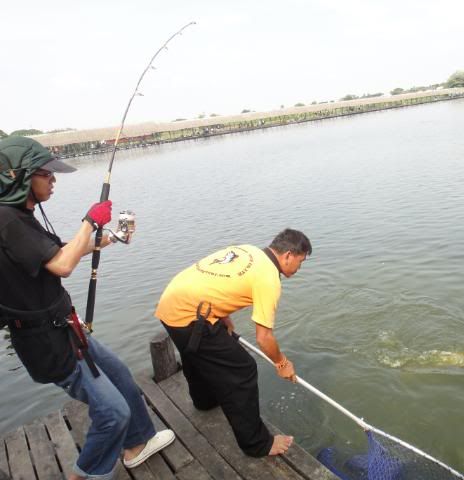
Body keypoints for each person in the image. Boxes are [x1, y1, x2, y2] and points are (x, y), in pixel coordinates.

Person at [0, 136, 175, 479]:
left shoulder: (19, 217)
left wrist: (111, 237)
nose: (53, 179)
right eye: (46, 174)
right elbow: (62, 265)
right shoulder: (6, 220)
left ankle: (137, 444)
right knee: (113, 413)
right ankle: (84, 475)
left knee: (120, 375)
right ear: (17, 176)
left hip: (66, 328)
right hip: (47, 343)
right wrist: (89, 221)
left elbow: (60, 251)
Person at [155, 229, 312, 457]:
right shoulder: (269, 278)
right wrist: (282, 363)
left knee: (195, 355)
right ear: (288, 255)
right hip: (189, 317)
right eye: (301, 261)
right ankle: (257, 444)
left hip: (172, 303)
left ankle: (205, 402)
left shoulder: (249, 251)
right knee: (243, 369)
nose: (299, 268)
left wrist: (222, 317)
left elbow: (215, 279)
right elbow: (264, 338)